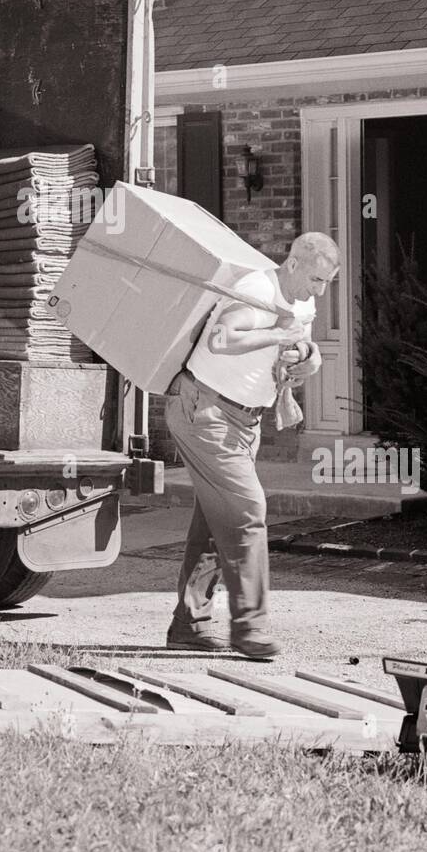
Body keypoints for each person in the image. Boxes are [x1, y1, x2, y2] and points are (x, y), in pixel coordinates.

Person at [164, 231, 340, 659]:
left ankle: (189, 623)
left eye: (326, 283)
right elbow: (221, 340)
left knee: (215, 518)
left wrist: (308, 358)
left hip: (244, 420)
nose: (319, 290)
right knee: (247, 513)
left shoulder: (303, 301)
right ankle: (251, 629)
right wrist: (278, 336)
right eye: (315, 279)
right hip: (204, 411)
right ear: (294, 264)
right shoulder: (259, 289)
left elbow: (300, 345)